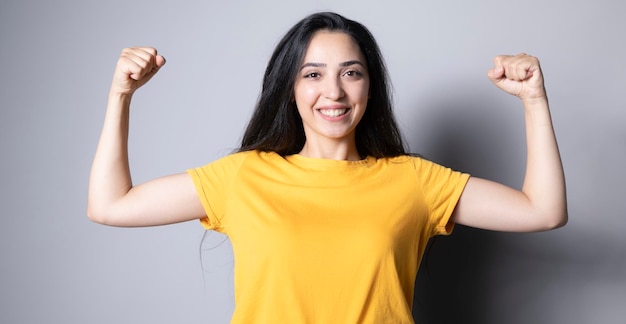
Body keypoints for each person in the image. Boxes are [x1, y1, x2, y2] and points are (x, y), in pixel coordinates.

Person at [88, 11, 567, 324]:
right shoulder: (242, 177)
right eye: (313, 74)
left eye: (351, 73)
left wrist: (534, 100)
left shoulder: (414, 182)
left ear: (369, 88)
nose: (333, 92)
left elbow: (542, 211)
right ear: (290, 89)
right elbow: (110, 206)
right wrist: (120, 95)